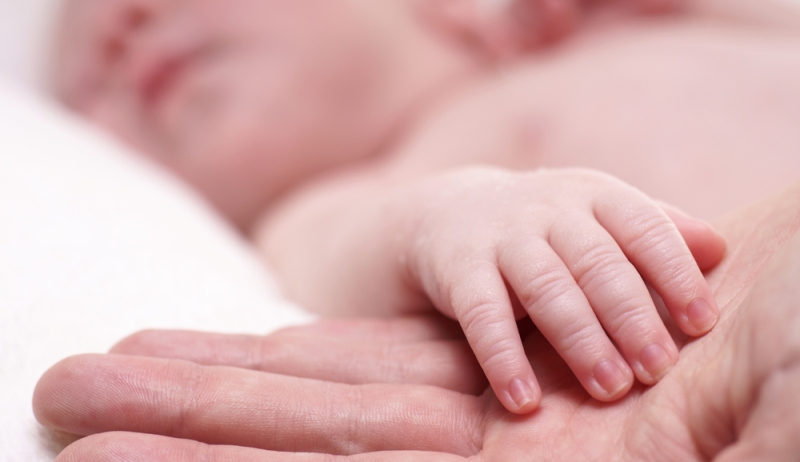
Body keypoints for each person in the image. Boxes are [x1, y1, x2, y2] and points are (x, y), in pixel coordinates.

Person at [50, 0, 800, 416]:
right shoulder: (347, 198)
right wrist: (454, 218)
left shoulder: (609, 40)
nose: (122, 20)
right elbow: (338, 250)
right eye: (86, 79)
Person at [33, 181, 800, 460]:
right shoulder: (370, 160)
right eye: (101, 94)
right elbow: (310, 232)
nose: (127, 24)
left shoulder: (598, 26)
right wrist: (443, 214)